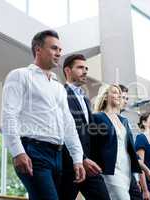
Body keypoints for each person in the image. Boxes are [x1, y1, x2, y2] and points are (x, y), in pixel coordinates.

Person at [1, 30, 85, 200]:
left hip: (58, 155)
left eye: (60, 50)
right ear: (38, 49)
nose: (59, 53)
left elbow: (68, 124)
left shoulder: (58, 87)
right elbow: (9, 115)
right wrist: (18, 152)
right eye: (54, 48)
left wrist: (77, 158)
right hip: (33, 151)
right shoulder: (20, 75)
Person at [59, 54, 110, 200]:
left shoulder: (86, 99)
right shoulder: (60, 94)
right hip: (69, 164)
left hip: (89, 164)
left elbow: (88, 133)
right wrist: (80, 158)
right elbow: (64, 129)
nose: (85, 71)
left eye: (86, 68)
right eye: (80, 67)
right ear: (68, 71)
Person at [92, 84, 142, 200]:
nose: (118, 95)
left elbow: (131, 150)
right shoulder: (97, 117)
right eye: (114, 92)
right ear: (105, 97)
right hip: (110, 170)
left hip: (126, 170)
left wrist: (146, 170)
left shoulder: (124, 121)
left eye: (119, 93)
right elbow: (92, 146)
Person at [119, 84, 143, 200]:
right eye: (123, 98)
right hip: (114, 172)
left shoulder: (125, 121)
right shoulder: (102, 119)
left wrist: (135, 178)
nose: (126, 101)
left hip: (128, 172)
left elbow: (130, 151)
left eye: (127, 98)